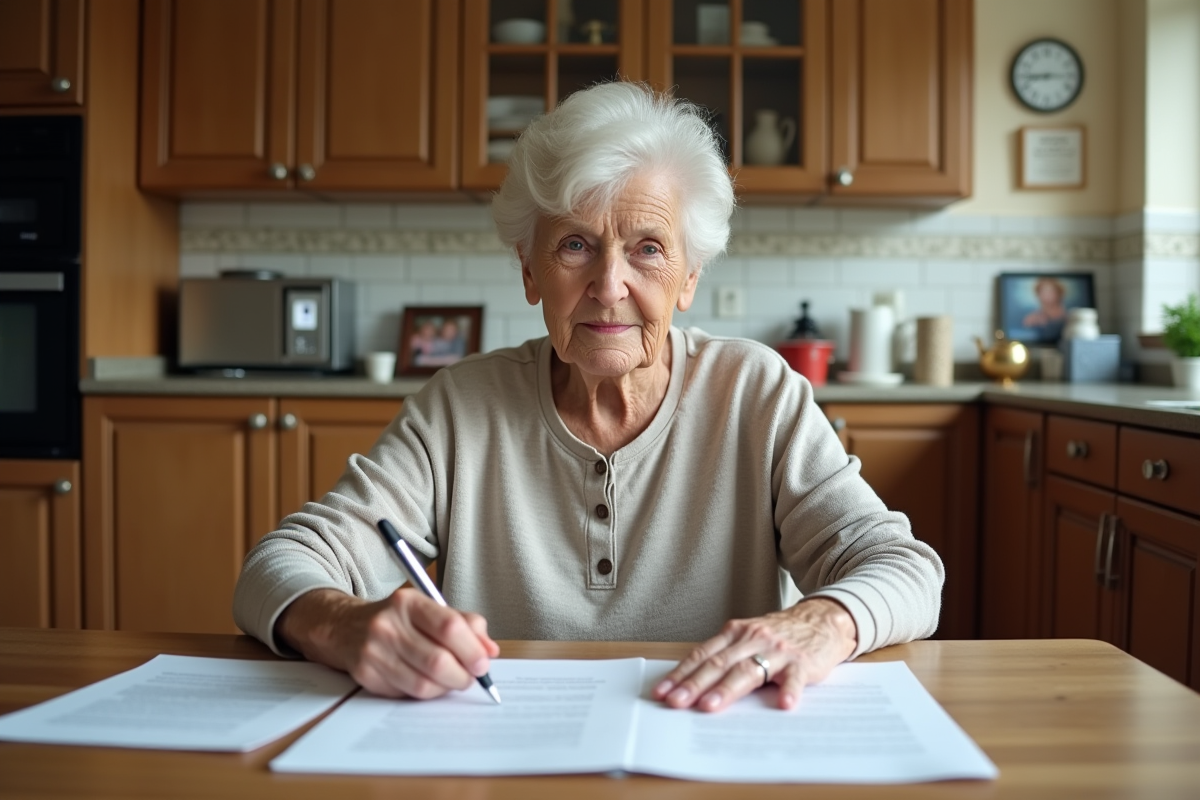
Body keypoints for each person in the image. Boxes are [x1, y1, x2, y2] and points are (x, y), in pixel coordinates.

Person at [233, 82, 943, 714]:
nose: (609, 286)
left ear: (689, 277)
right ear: (529, 270)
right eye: (575, 245)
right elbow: (279, 564)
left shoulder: (756, 394)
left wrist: (821, 622)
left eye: (648, 248)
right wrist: (342, 623)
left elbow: (905, 569)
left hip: (714, 741)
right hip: (505, 744)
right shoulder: (459, 408)